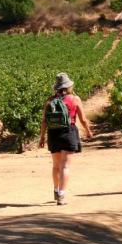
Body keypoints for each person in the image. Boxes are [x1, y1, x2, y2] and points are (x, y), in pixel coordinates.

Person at [39, 72, 94, 205]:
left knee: (56, 166)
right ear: (69, 86)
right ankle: (61, 195)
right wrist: (88, 131)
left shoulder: (50, 100)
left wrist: (42, 137)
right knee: (65, 166)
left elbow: (44, 121)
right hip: (68, 133)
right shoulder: (75, 99)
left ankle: (56, 190)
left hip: (53, 134)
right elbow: (83, 119)